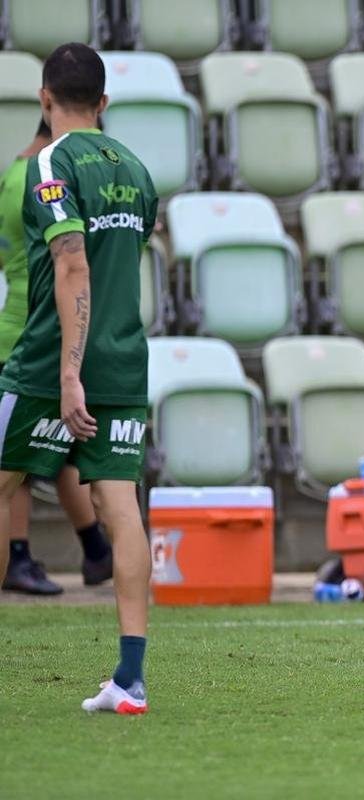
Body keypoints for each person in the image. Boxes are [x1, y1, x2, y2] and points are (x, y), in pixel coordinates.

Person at [0, 43, 158, 711]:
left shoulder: (48, 163)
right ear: (103, 103)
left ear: (44, 98)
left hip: (48, 359)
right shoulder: (137, 168)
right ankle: (130, 679)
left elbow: (72, 268)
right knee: (121, 511)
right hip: (125, 358)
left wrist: (68, 375)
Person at [0, 119, 113, 596]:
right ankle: (20, 555)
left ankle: (95, 550)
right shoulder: (47, 177)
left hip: (23, 326)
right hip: (38, 330)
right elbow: (72, 259)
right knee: (17, 464)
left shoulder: (10, 175)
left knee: (62, 448)